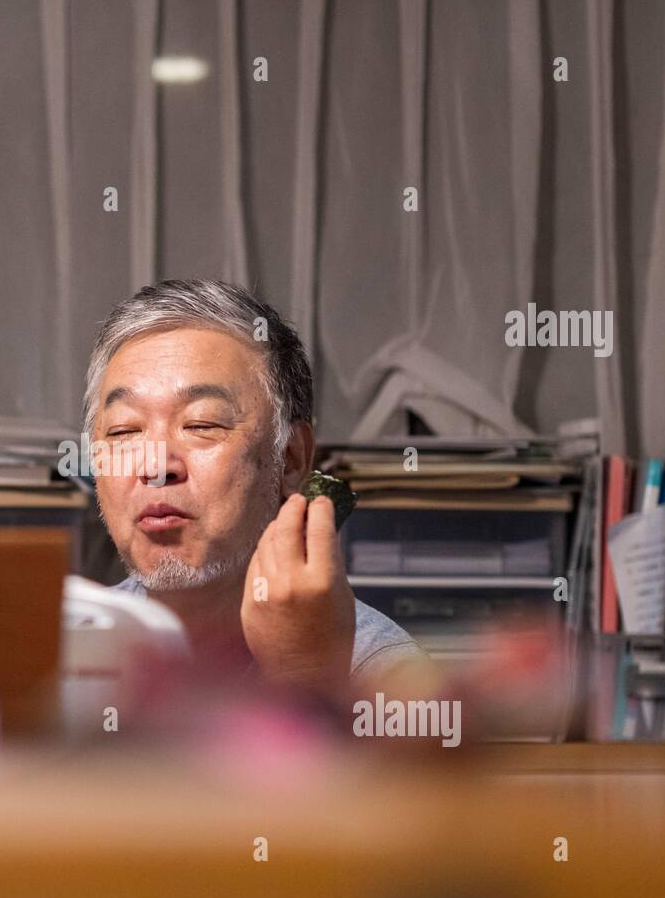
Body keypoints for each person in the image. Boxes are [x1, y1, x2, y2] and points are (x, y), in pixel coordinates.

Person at [85, 279, 426, 699]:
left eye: (202, 425)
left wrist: (309, 679)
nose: (155, 466)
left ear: (292, 458)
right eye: (123, 430)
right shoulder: (41, 658)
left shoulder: (385, 676)